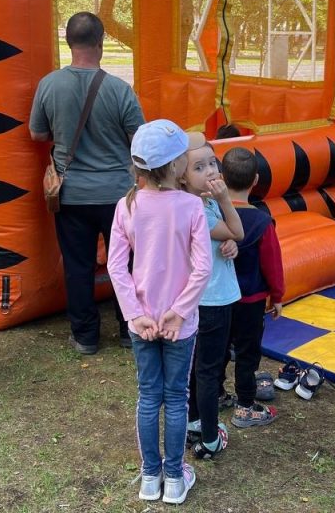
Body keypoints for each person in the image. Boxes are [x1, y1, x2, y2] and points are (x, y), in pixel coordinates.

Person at [107, 119, 212, 504]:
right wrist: (180, 312)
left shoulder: (126, 205)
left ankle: (150, 478)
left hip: (143, 323)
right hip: (177, 325)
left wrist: (134, 314)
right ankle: (173, 476)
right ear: (174, 166)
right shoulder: (191, 206)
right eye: (185, 155)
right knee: (176, 396)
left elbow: (117, 266)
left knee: (149, 397)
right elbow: (202, 267)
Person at [29, 12, 144, 354]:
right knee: (126, 263)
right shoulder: (120, 89)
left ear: (68, 43)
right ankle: (129, 330)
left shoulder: (49, 85)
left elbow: (36, 133)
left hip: (71, 194)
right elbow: (140, 140)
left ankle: (85, 337)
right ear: (101, 42)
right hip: (118, 196)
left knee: (77, 266)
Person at [182, 133, 244, 459]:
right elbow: (238, 230)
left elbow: (226, 239)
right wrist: (225, 199)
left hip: (201, 298)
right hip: (213, 299)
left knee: (197, 366)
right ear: (180, 174)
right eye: (199, 166)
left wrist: (227, 245)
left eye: (211, 162)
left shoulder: (196, 202)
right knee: (208, 369)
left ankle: (194, 421)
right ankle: (209, 438)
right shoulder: (202, 207)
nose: (209, 171)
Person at [220, 147, 285, 429]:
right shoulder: (261, 222)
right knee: (247, 351)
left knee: (218, 348)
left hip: (217, 299)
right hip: (251, 300)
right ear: (256, 180)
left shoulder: (213, 216)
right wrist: (278, 295)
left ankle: (216, 393)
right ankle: (246, 405)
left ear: (221, 177)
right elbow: (273, 262)